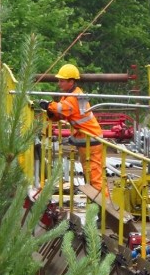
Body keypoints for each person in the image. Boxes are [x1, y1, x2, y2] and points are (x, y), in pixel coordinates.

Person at [40, 63, 110, 198]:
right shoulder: (68, 95)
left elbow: (61, 108)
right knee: (89, 176)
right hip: (86, 140)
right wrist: (50, 112)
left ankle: (104, 211)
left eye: (62, 81)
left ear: (71, 81)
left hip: (92, 141)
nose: (59, 83)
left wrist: (48, 105)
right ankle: (96, 208)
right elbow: (61, 113)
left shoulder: (73, 98)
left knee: (95, 178)